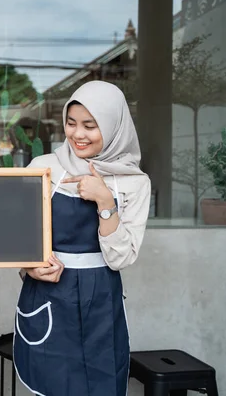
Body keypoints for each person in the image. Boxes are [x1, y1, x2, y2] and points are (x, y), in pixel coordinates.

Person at [14, 80, 151, 396]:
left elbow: (120, 258)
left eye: (91, 126)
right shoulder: (42, 168)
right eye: (71, 123)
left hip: (101, 298)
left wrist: (105, 201)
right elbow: (19, 237)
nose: (77, 134)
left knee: (100, 385)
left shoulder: (135, 183)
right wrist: (29, 266)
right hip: (49, 295)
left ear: (114, 126)